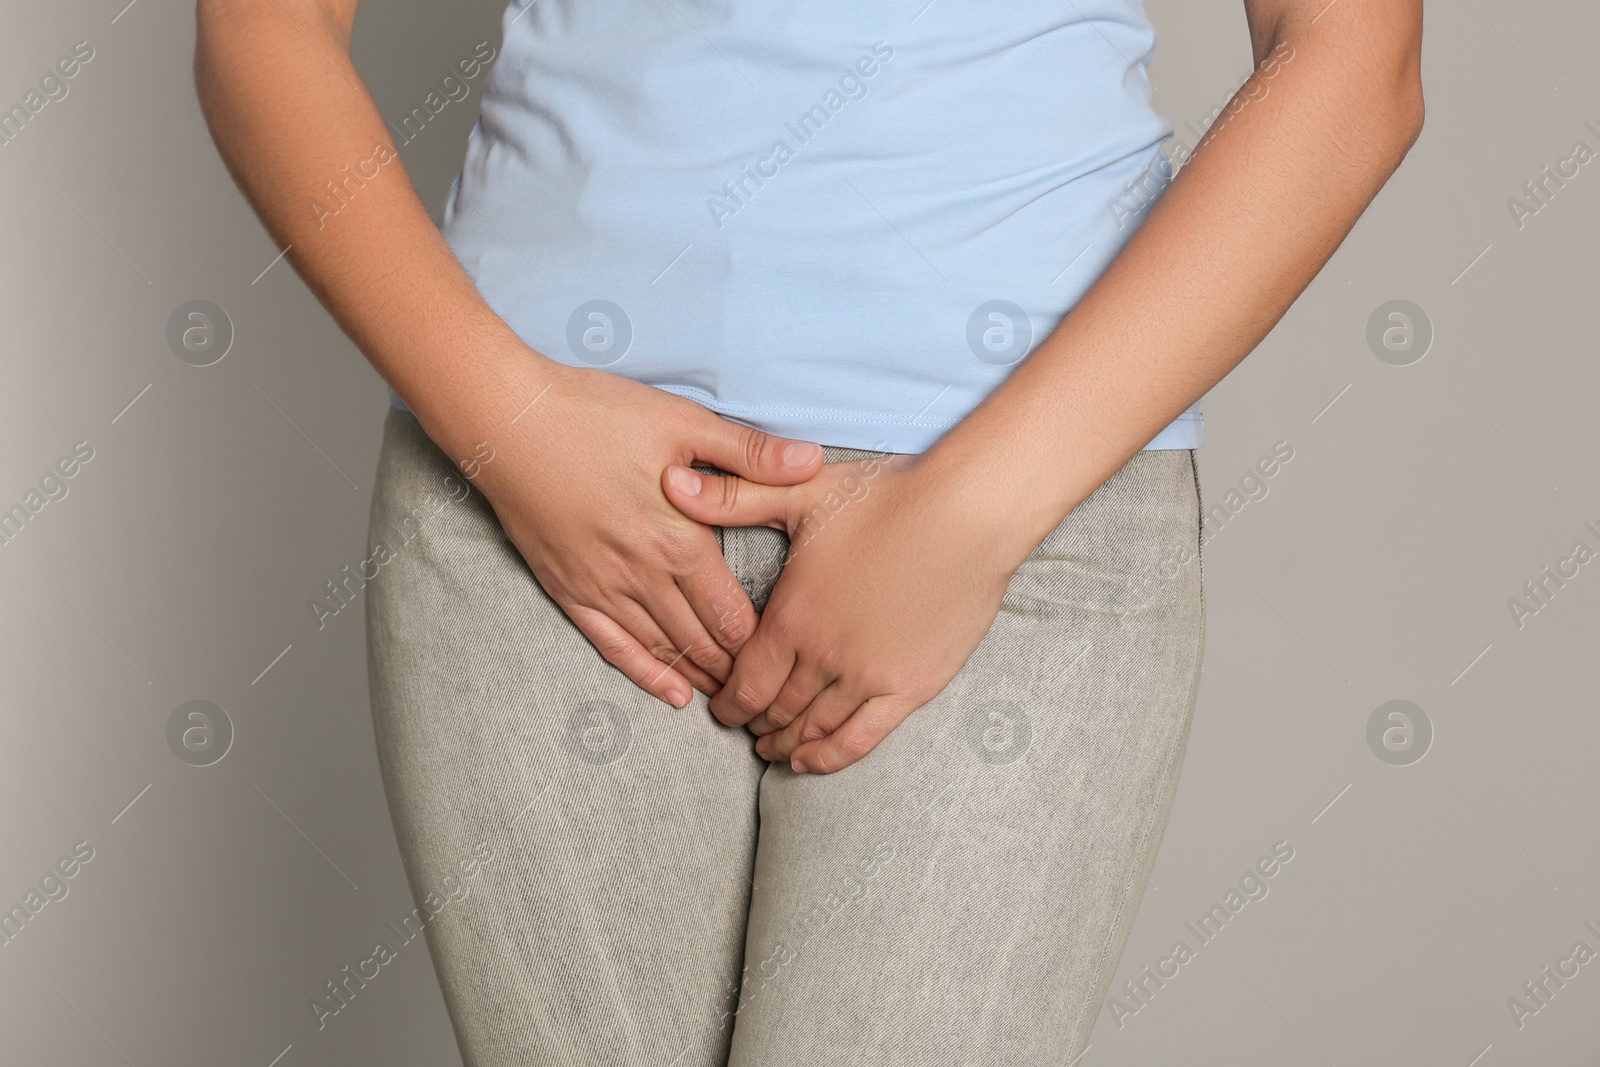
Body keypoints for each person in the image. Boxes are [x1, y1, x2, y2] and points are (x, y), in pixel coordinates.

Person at [195, 0, 1423, 1062]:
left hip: (1028, 506)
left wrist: (969, 514)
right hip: (540, 495)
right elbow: (263, 24)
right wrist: (509, 428)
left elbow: (1351, 56)